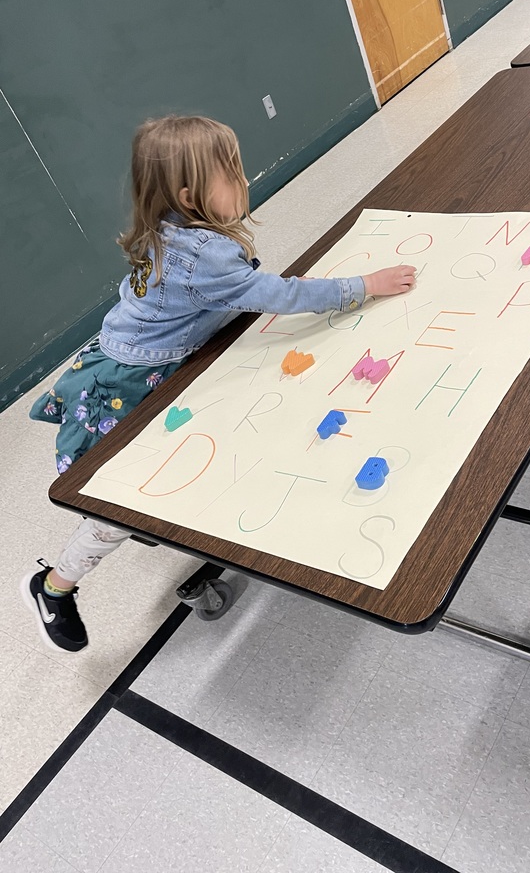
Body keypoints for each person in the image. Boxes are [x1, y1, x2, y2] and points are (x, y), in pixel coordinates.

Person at [23, 115, 416, 653]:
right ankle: (54, 586)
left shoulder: (164, 225)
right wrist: (363, 286)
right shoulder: (204, 254)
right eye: (231, 174)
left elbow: (223, 295)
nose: (245, 181)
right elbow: (280, 296)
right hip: (134, 381)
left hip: (137, 356)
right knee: (109, 510)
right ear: (188, 196)